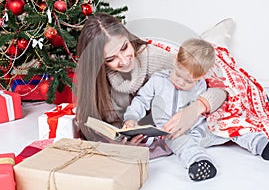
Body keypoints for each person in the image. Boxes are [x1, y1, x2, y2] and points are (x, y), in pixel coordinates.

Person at [123, 38, 269, 182]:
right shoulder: (157, 80)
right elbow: (141, 101)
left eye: (188, 81)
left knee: (230, 129)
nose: (181, 83)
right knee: (184, 146)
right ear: (175, 61)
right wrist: (131, 118)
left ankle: (263, 145)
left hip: (201, 128)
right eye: (178, 75)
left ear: (202, 76)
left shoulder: (202, 85)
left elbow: (218, 100)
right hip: (173, 132)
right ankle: (200, 163)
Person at [75, 12, 227, 149]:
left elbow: (218, 90)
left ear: (128, 38)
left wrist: (194, 109)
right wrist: (120, 140)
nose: (124, 60)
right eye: (111, 58)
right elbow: (93, 123)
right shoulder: (100, 81)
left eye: (124, 48)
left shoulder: (155, 58)